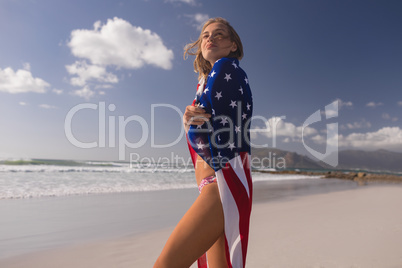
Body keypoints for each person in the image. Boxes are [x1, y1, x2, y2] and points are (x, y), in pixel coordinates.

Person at [154, 17, 253, 268]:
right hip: (215, 185)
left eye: (219, 34)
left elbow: (229, 125)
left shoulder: (226, 69)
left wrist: (194, 119)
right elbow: (212, 126)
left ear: (233, 45)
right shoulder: (206, 82)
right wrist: (189, 118)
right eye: (206, 35)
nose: (211, 38)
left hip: (220, 187)